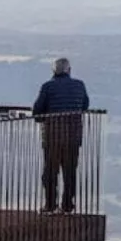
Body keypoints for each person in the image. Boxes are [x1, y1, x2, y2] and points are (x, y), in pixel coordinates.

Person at [32, 58, 91, 215]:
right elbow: (84, 106)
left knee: (50, 173)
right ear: (69, 70)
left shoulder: (47, 87)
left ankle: (50, 205)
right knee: (70, 172)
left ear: (54, 71)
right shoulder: (80, 85)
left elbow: (37, 111)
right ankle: (67, 206)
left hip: (53, 137)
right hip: (73, 137)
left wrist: (43, 118)